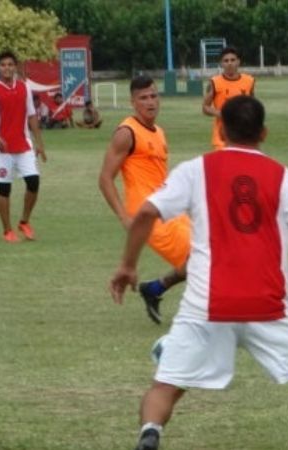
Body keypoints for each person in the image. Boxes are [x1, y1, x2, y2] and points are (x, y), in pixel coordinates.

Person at [109, 96, 288, 450]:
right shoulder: (283, 177)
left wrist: (127, 265)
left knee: (166, 385)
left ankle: (150, 433)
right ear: (264, 132)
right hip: (269, 306)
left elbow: (147, 213)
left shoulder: (195, 170)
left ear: (221, 129)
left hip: (207, 305)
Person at [99, 76, 190, 324]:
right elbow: (105, 179)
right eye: (143, 98)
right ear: (133, 102)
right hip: (147, 216)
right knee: (203, 260)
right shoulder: (126, 133)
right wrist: (124, 218)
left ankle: (154, 288)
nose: (150, 102)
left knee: (207, 253)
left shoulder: (159, 132)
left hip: (170, 209)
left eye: (153, 96)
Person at [0, 51, 46, 243]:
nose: (7, 68)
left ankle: (24, 222)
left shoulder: (24, 87)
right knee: (4, 189)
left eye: (10, 64)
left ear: (15, 67)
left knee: (34, 182)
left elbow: (32, 115)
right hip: (1, 148)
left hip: (24, 145)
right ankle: (7, 230)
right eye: (3, 65)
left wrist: (39, 143)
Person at [202, 46, 255, 150]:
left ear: (238, 62)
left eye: (232, 60)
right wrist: (222, 114)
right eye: (226, 61)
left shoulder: (249, 81)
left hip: (244, 136)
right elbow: (205, 108)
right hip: (221, 139)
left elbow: (252, 104)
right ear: (221, 64)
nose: (229, 63)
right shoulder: (215, 82)